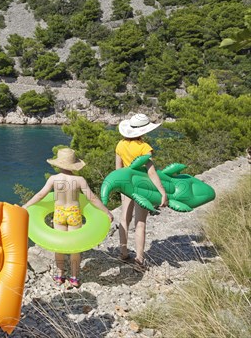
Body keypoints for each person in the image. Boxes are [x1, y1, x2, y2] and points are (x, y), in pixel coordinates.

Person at [23, 148, 114, 288]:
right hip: (74, 213)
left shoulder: (53, 179)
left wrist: (26, 206)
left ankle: (60, 275)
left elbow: (40, 195)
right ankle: (75, 277)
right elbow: (92, 198)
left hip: (59, 213)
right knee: (75, 247)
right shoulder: (79, 180)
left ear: (58, 164)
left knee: (58, 246)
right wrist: (106, 211)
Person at [116, 114, 168, 272]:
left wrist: (120, 186)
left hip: (125, 184)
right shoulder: (144, 148)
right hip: (141, 186)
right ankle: (139, 259)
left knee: (124, 219)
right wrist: (162, 192)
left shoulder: (120, 144)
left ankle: (123, 253)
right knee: (140, 223)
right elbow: (151, 173)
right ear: (144, 130)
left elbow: (118, 169)